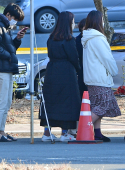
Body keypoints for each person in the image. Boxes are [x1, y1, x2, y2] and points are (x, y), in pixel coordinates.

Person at [39, 11, 81, 142]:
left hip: (52, 70)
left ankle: (47, 133)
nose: (74, 24)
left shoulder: (51, 38)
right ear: (68, 23)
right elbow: (74, 57)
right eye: (73, 21)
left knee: (51, 101)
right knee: (67, 102)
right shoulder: (69, 39)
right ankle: (65, 133)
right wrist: (79, 70)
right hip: (67, 71)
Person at [0, 3, 25, 142]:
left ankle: (0, 130)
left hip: (6, 68)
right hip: (1, 68)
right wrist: (9, 56)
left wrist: (17, 40)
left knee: (7, 101)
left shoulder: (5, 27)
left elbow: (9, 47)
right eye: (14, 18)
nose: (15, 22)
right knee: (2, 101)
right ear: (8, 15)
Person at [82, 10, 121, 142]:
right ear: (99, 21)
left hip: (91, 78)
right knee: (103, 105)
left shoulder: (88, 38)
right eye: (102, 20)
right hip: (99, 78)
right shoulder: (98, 38)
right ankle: (82, 128)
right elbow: (107, 58)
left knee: (96, 106)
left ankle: (97, 132)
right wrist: (114, 71)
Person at [68, 18, 87, 137]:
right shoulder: (79, 40)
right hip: (82, 73)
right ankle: (82, 127)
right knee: (82, 100)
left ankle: (81, 126)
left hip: (82, 73)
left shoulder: (78, 39)